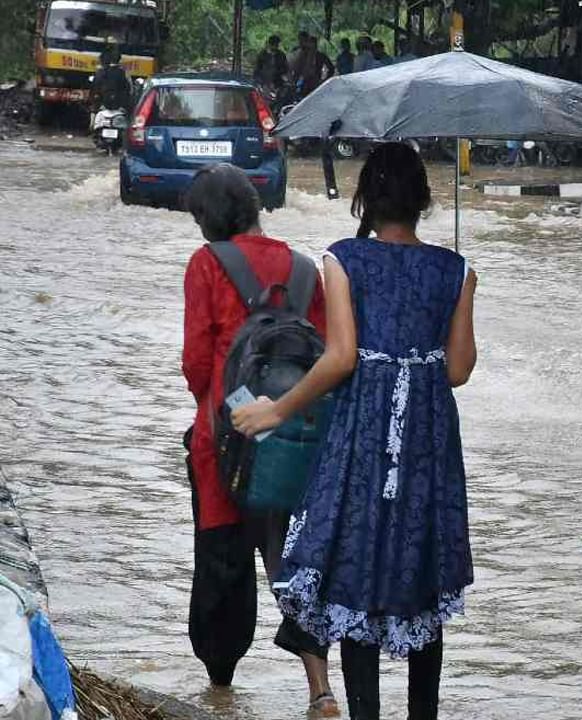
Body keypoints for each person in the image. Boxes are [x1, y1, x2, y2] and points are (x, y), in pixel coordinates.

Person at [232, 143, 477, 720]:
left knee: (356, 567)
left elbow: (341, 357)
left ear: (366, 198)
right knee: (420, 568)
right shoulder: (456, 269)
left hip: (363, 434)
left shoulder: (342, 259)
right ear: (422, 201)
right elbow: (459, 370)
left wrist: (276, 410)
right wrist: (454, 292)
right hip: (427, 439)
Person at [181, 164, 339, 717]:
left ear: (209, 218)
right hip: (292, 439)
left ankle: (219, 693)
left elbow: (197, 363)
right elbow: (325, 358)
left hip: (223, 439)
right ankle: (320, 690)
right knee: (292, 561)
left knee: (223, 565)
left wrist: (219, 410)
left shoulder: (206, 264)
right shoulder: (302, 269)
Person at [91, 42, 132, 112]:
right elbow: (128, 91)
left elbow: (95, 89)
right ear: (119, 60)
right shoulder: (124, 73)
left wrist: (98, 106)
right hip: (118, 108)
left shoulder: (100, 72)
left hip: (103, 107)